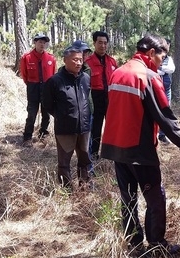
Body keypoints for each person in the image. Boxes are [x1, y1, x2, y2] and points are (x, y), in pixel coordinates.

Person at [100, 34, 180, 257]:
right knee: (155, 198)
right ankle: (156, 243)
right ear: (151, 53)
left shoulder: (118, 72)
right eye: (163, 55)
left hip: (116, 147)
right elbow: (164, 116)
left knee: (128, 198)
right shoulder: (148, 76)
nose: (163, 61)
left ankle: (133, 244)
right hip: (139, 149)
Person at [41, 46, 92, 189]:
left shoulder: (86, 78)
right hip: (65, 129)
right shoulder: (55, 81)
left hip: (84, 127)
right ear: (65, 60)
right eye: (75, 59)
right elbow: (47, 104)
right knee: (64, 163)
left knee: (85, 160)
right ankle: (67, 191)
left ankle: (85, 186)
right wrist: (62, 116)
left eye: (81, 60)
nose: (79, 63)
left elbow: (87, 99)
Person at [85, 31, 118, 161]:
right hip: (95, 98)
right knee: (96, 127)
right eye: (100, 43)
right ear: (94, 43)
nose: (103, 46)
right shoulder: (88, 62)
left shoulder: (112, 62)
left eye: (105, 43)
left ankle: (111, 153)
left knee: (112, 127)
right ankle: (93, 153)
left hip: (110, 98)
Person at [20, 33, 57, 146]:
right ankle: (27, 137)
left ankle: (43, 134)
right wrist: (32, 84)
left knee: (46, 114)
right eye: (40, 42)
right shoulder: (26, 58)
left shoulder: (51, 58)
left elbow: (53, 74)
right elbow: (24, 75)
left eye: (44, 42)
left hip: (47, 88)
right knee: (31, 113)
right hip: (33, 88)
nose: (42, 44)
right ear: (35, 42)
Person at [157, 37, 175, 143]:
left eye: (168, 44)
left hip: (167, 89)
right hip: (156, 88)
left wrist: (161, 68)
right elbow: (154, 69)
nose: (167, 46)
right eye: (165, 44)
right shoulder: (155, 55)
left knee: (166, 110)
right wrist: (162, 69)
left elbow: (171, 69)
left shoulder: (169, 59)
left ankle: (162, 135)